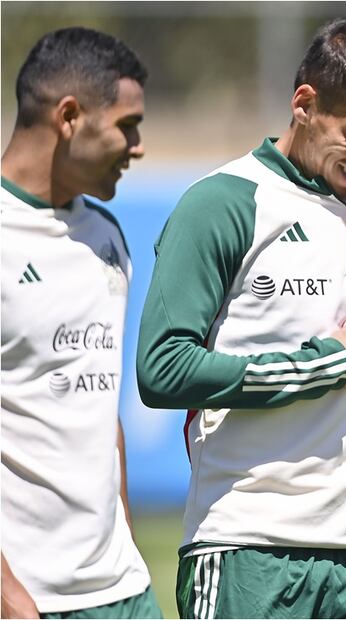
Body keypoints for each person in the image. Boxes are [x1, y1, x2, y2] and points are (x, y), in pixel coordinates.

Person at [135, 18, 346, 618]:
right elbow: (161, 370)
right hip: (247, 549)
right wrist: (318, 367)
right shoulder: (222, 202)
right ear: (304, 104)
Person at [1, 27, 161, 619]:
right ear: (69, 116)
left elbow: (101, 412)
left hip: (123, 592)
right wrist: (10, 598)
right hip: (27, 597)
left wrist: (130, 558)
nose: (137, 145)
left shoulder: (107, 236)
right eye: (126, 124)